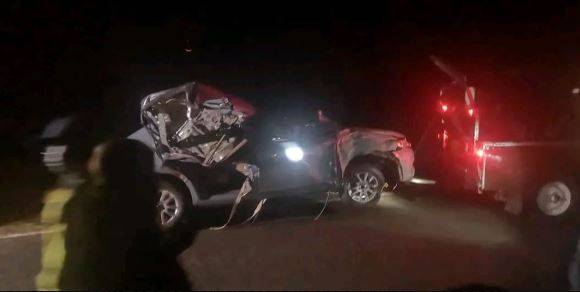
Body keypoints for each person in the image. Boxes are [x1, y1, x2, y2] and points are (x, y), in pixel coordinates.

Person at [59, 139, 192, 290]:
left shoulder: (87, 207)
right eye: (147, 175)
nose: (154, 184)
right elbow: (152, 268)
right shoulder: (125, 223)